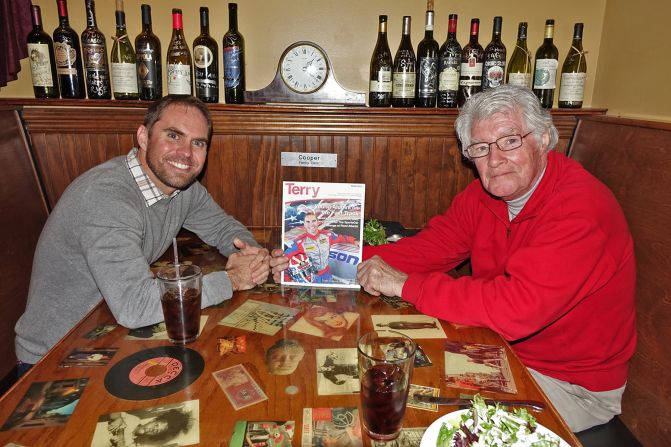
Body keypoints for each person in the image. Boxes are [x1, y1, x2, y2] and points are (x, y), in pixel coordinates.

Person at [355, 85, 636, 432]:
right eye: (481, 148)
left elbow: (515, 310)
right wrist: (318, 256)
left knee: (423, 424)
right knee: (380, 382)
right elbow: (430, 249)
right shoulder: (483, 196)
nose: (495, 159)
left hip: (570, 386)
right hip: (500, 351)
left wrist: (404, 284)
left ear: (544, 138)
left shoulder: (580, 210)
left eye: (510, 141)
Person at [15, 95, 271, 369]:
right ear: (144, 137)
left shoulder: (182, 189)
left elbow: (223, 228)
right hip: (58, 357)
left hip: (110, 332)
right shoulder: (106, 197)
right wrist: (232, 279)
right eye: (173, 136)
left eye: (198, 143)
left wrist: (252, 256)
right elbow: (135, 306)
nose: (185, 153)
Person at [284, 211, 358, 283]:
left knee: (330, 295)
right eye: (308, 222)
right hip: (311, 278)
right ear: (304, 224)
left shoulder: (327, 235)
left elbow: (342, 238)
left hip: (326, 274)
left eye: (313, 221)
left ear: (318, 222)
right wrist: (287, 280)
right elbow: (285, 259)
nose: (311, 224)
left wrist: (354, 241)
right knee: (312, 296)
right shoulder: (299, 242)